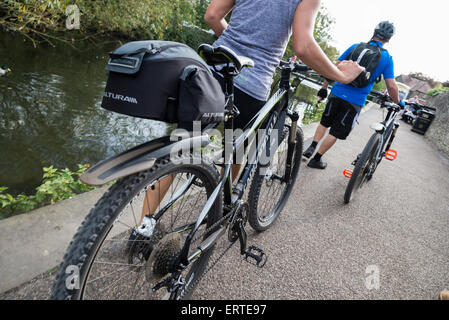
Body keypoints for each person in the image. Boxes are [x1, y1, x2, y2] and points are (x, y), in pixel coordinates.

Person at [140, 0, 364, 220]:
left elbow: (212, 16)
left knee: (182, 145)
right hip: (252, 84)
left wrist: (233, 49)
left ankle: (143, 227)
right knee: (235, 151)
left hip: (212, 73)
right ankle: (214, 214)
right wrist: (341, 75)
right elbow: (303, 46)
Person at [303, 21, 405, 169]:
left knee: (325, 122)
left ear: (374, 32)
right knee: (336, 131)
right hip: (354, 101)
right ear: (388, 39)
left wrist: (324, 88)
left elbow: (333, 68)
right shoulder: (387, 58)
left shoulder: (355, 47)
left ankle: (311, 147)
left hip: (336, 92)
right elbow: (391, 85)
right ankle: (316, 159)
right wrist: (398, 102)